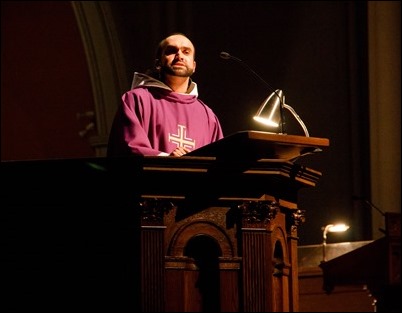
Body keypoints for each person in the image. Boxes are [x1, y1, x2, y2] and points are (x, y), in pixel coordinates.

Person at [107, 33, 224, 157]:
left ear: (194, 66)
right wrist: (168, 160)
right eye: (171, 51)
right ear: (158, 64)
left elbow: (220, 159)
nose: (179, 55)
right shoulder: (137, 99)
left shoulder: (207, 116)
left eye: (186, 52)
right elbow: (127, 148)